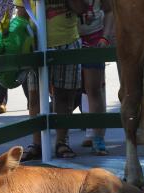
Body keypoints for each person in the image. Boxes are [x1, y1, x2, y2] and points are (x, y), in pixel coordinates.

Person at [21, 0, 87, 161]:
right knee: (34, 96)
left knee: (64, 96)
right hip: (36, 46)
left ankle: (62, 142)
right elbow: (21, 15)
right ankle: (36, 144)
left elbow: (81, 8)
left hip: (68, 42)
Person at [78, 0, 113, 155]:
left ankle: (97, 137)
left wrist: (105, 38)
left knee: (94, 89)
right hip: (70, 39)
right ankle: (61, 141)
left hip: (94, 40)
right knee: (65, 92)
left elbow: (109, 11)